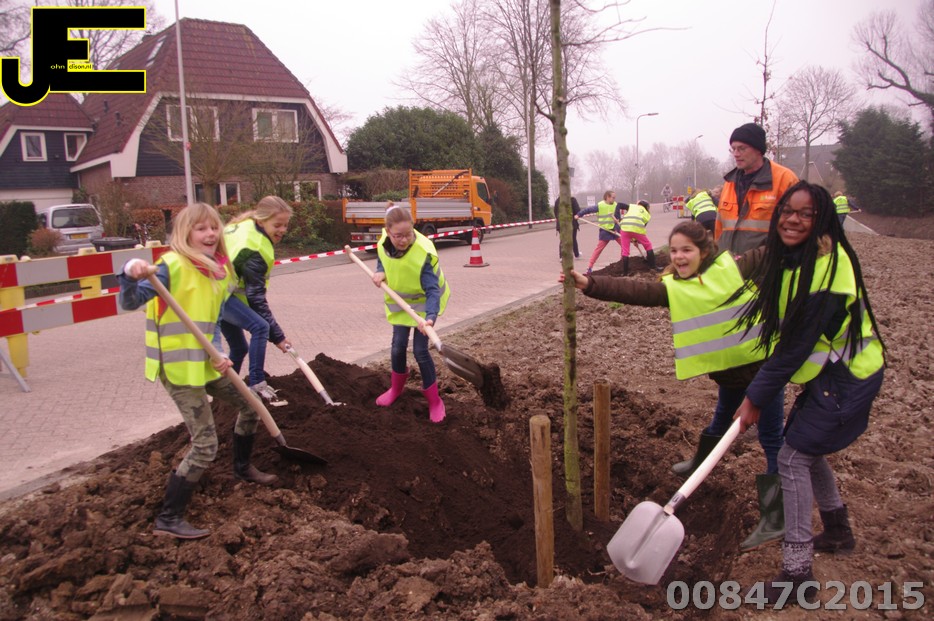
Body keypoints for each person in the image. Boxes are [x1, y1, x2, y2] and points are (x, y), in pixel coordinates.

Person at [561, 220, 785, 549]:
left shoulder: (733, 269)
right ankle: (700, 463)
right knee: (722, 417)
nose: (679, 257)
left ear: (704, 252)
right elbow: (635, 292)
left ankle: (775, 518)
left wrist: (810, 232)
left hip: (764, 371)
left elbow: (773, 251)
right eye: (675, 250)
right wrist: (588, 283)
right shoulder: (675, 289)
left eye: (687, 250)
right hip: (728, 373)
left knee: (772, 439)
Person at [732, 181, 886, 605]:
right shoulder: (794, 258)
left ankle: (798, 574)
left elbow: (795, 346)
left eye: (805, 214)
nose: (793, 220)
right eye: (787, 211)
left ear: (822, 221)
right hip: (828, 373)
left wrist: (755, 398)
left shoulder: (829, 270)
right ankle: (837, 531)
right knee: (805, 448)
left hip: (850, 375)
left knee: (792, 457)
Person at [118, 203, 278, 540]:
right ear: (185, 233)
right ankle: (169, 518)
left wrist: (219, 352)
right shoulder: (170, 267)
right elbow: (129, 302)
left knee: (251, 406)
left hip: (205, 363)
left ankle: (242, 468)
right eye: (201, 228)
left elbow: (212, 320)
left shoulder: (219, 271)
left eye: (214, 227)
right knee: (205, 444)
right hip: (177, 367)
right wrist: (129, 273)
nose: (210, 234)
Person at [371, 203, 451, 423]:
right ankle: (396, 389)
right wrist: (380, 271)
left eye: (408, 234)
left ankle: (434, 400)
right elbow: (382, 258)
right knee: (397, 347)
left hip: (425, 305)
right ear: (388, 232)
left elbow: (432, 290)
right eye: (398, 236)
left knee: (420, 351)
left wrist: (430, 318)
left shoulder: (422, 253)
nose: (404, 240)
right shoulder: (383, 243)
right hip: (401, 305)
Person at [220, 196, 293, 405]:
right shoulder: (255, 248)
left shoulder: (245, 225)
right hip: (215, 294)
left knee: (239, 348)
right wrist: (278, 336)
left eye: (285, 225)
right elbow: (256, 299)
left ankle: (226, 390)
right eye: (277, 225)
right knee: (260, 327)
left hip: (216, 290)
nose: (282, 230)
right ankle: (257, 383)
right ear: (262, 220)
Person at [715, 122, 799, 256]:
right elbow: (719, 229)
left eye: (741, 148)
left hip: (767, 264)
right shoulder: (729, 183)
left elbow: (796, 228)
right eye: (733, 149)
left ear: (758, 149)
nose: (736, 154)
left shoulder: (785, 179)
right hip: (729, 265)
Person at [576, 190, 625, 275]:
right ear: (607, 197)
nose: (614, 199)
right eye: (613, 197)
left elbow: (618, 218)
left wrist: (617, 223)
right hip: (605, 231)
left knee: (624, 245)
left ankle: (622, 263)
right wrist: (579, 215)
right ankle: (590, 267)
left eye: (614, 198)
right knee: (599, 249)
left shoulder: (616, 205)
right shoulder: (600, 205)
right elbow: (588, 210)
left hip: (615, 230)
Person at [618, 200, 662, 273]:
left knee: (625, 251)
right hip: (637, 230)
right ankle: (653, 267)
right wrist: (635, 239)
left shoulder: (632, 207)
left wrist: (617, 217)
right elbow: (641, 227)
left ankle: (625, 273)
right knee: (648, 245)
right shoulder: (647, 214)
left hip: (624, 229)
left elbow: (619, 204)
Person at [554, 193, 581, 259]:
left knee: (563, 240)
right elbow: (578, 211)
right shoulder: (572, 200)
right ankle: (576, 254)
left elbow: (555, 212)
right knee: (573, 239)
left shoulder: (557, 201)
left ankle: (561, 257)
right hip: (572, 223)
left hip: (561, 224)